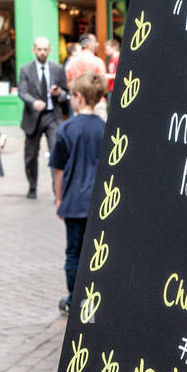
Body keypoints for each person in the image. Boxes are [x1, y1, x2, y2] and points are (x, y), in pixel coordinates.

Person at [50, 73, 106, 315]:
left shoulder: (67, 129)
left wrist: (59, 198)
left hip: (74, 200)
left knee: (73, 252)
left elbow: (58, 169)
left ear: (79, 98)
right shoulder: (106, 128)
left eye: (72, 95)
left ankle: (75, 299)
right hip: (99, 201)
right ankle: (91, 299)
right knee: (94, 253)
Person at [17, 36, 69, 199]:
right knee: (31, 155)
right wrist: (34, 103)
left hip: (53, 117)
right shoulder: (26, 69)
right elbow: (22, 92)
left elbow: (65, 92)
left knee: (56, 152)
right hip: (33, 117)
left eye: (45, 49)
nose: (42, 52)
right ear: (34, 50)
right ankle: (32, 186)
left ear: (50, 50)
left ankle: (57, 190)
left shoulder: (58, 69)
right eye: (39, 49)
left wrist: (59, 93)